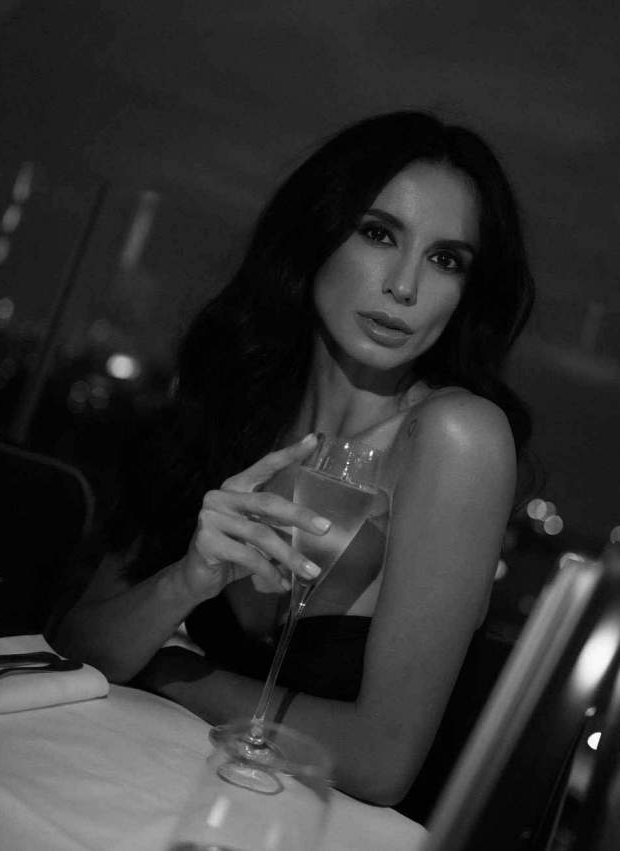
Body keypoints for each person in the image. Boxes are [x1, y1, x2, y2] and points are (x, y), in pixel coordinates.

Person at [47, 110, 534, 807]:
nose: (404, 286)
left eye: (446, 260)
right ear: (316, 232)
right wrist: (184, 583)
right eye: (378, 233)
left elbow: (380, 763)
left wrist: (171, 670)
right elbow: (79, 639)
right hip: (154, 793)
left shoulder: (458, 439)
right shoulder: (236, 403)